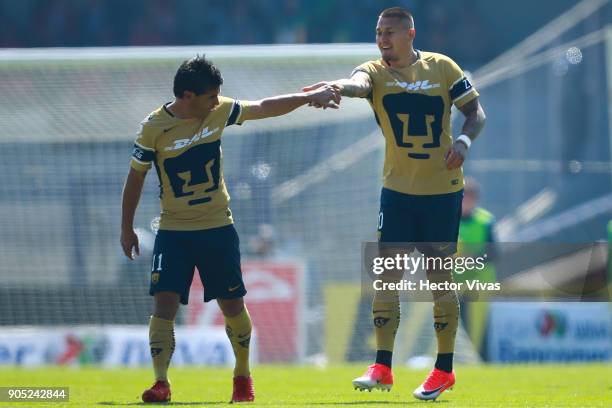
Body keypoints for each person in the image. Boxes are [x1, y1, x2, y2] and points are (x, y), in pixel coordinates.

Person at [120, 55, 340, 404]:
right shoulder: (153, 128)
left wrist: (306, 97)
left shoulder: (219, 111)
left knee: (232, 306)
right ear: (188, 95)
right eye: (210, 97)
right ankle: (160, 382)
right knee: (164, 305)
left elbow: (265, 107)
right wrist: (126, 227)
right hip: (173, 231)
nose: (215, 102)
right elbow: (135, 177)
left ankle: (241, 375)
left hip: (218, 228)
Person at [303, 7, 486, 401]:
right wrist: (334, 88)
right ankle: (382, 366)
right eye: (378, 32)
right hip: (398, 192)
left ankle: (443, 370)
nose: (383, 39)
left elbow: (476, 113)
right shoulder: (374, 71)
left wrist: (463, 142)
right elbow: (354, 83)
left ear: (410, 34)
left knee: (439, 281)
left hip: (442, 192)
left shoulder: (443, 68)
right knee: (387, 277)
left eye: (389, 32)